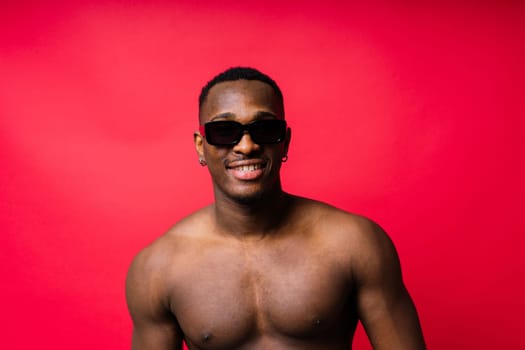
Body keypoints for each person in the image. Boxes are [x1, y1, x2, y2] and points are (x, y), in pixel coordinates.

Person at [126, 67, 426, 350]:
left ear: (285, 142)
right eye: (223, 131)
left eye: (265, 129)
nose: (246, 146)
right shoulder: (157, 269)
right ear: (200, 146)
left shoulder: (355, 243)